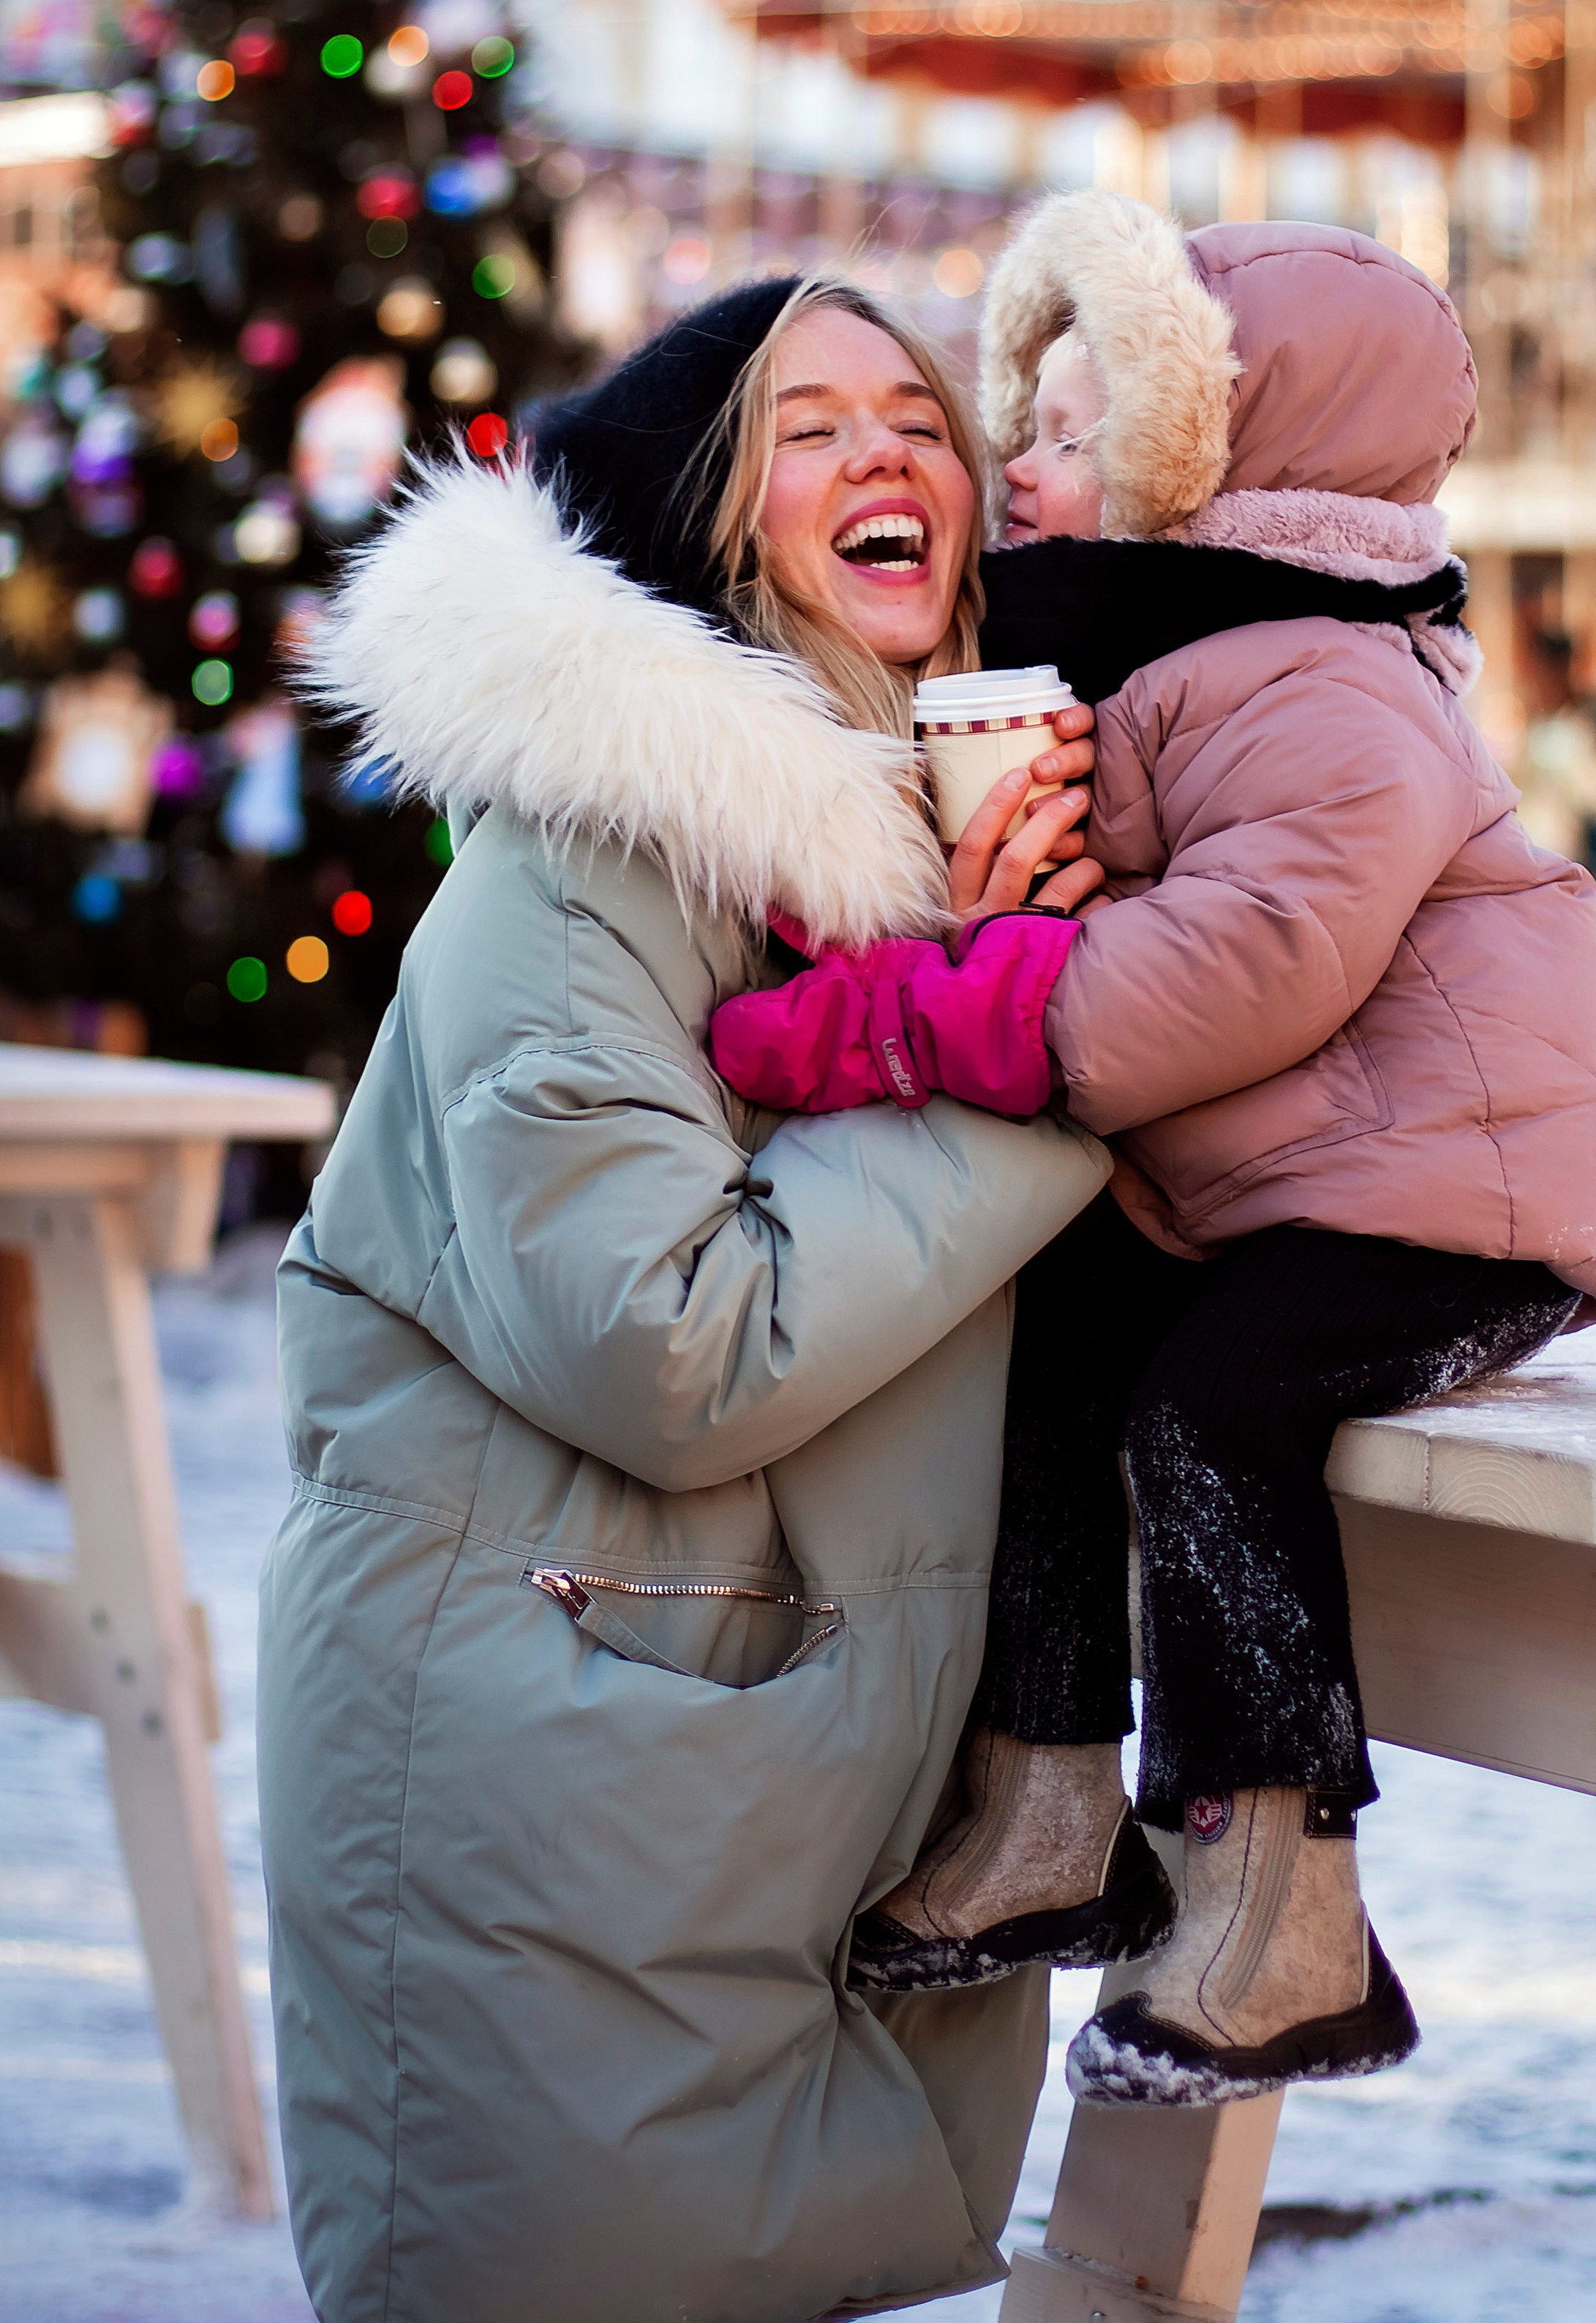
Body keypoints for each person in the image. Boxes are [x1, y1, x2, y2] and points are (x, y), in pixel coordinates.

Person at [711, 198, 1596, 2109]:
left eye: (1073, 437)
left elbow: (1257, 964)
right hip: (1294, 1179)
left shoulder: (1327, 678)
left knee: (1211, 1420)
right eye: (1035, 428)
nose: (1024, 476)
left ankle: (1288, 1898)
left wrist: (953, 1010)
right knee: (1056, 1333)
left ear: (1213, 465)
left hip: (1449, 1196)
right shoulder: (1161, 661)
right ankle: (1047, 1794)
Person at [257, 273, 1114, 2323]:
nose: (887, 452)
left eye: (918, 418)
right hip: (566, 1801)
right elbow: (665, 1339)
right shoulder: (584, 859)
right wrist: (1038, 1068)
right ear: (715, 529)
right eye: (808, 428)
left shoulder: (959, 847)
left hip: (824, 1808)